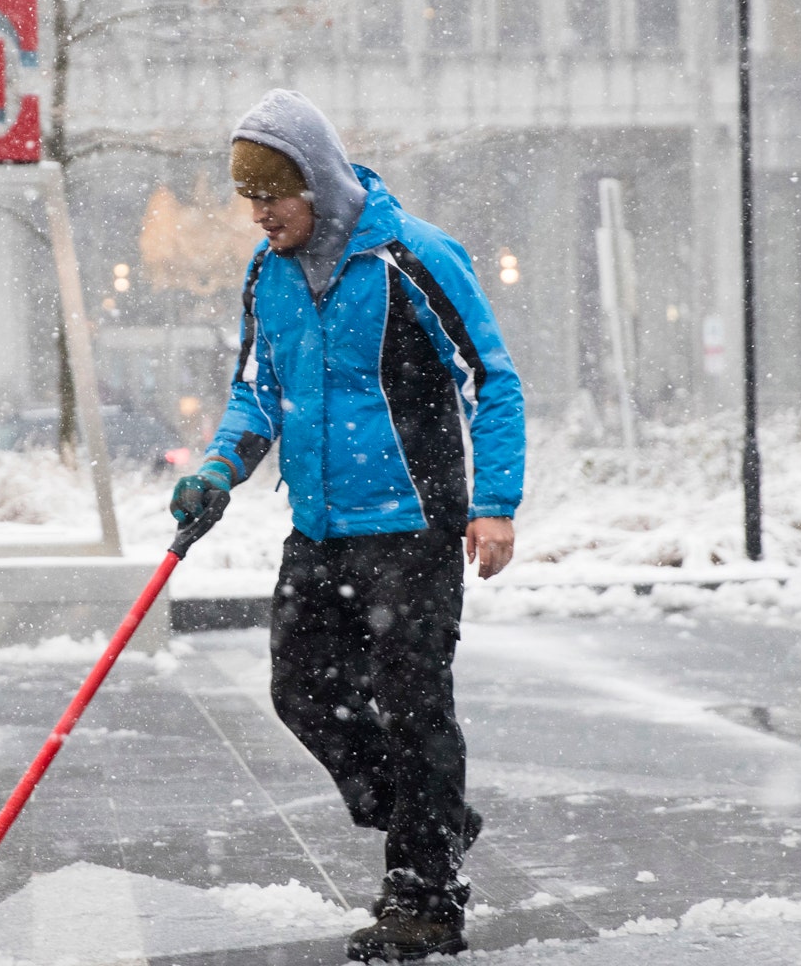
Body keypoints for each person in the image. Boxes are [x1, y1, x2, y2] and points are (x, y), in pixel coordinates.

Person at [170, 89, 524, 961]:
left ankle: (427, 897)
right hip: (321, 526)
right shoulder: (269, 275)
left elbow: (493, 380)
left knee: (414, 708)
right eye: (248, 200)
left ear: (318, 185)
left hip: (413, 527)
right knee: (302, 694)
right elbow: (259, 390)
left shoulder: (414, 256)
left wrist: (493, 505)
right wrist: (219, 467)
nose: (259, 217)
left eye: (271, 198)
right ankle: (427, 814)